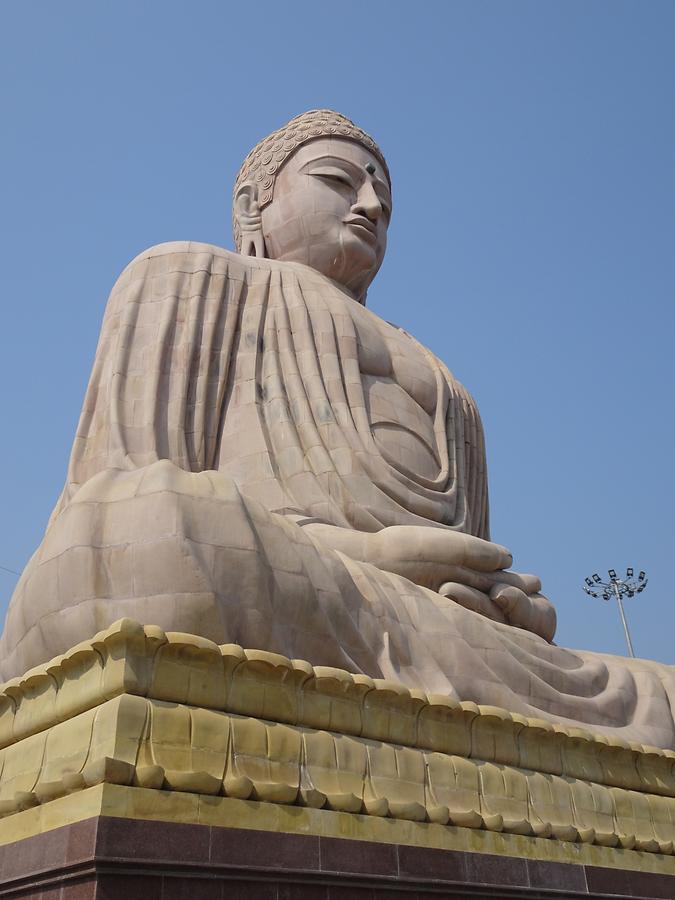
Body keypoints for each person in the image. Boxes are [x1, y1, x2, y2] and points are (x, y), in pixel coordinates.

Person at [2, 110, 673, 748]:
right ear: (249, 207)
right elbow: (114, 496)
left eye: (383, 197)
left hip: (415, 626)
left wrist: (507, 607)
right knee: (150, 533)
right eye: (337, 181)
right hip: (292, 581)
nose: (372, 206)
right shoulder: (188, 276)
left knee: (658, 697)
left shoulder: (450, 388)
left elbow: (467, 564)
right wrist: (366, 558)